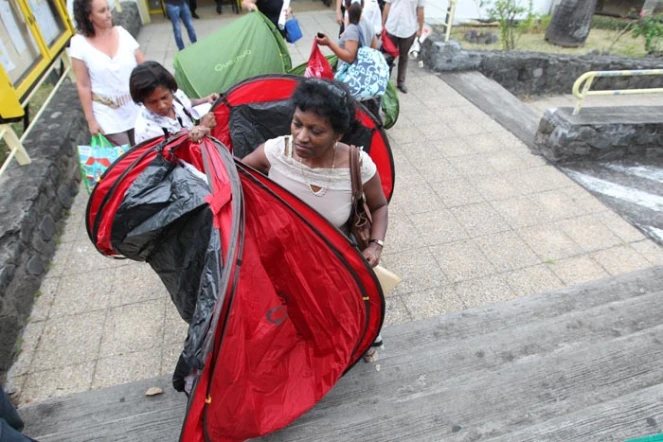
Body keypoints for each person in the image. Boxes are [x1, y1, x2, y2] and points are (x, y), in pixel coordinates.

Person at [242, 78, 388, 359]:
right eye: (297, 123)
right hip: (282, 259)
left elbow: (379, 206)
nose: (301, 137)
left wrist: (375, 244)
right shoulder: (275, 152)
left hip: (334, 262)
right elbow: (237, 178)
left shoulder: (358, 165)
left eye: (316, 130)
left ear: (338, 134)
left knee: (347, 314)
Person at [70, 0, 144, 146]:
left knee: (146, 155)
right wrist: (91, 121)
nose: (109, 15)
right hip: (107, 114)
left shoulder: (122, 33)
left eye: (108, 9)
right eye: (102, 11)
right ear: (89, 16)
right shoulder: (79, 44)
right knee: (126, 161)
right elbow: (83, 85)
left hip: (135, 107)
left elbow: (144, 66)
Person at [129, 61, 219, 144]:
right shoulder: (146, 131)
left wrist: (205, 100)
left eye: (164, 98)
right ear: (142, 102)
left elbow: (187, 103)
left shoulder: (176, 96)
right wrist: (201, 128)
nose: (161, 106)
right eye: (153, 102)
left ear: (171, 90)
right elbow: (171, 158)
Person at [382, 0, 424, 94]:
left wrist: (420, 29)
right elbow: (387, 4)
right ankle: (385, 80)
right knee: (388, 56)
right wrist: (382, 23)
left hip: (408, 28)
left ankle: (401, 82)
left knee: (404, 57)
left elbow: (420, 9)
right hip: (392, 26)